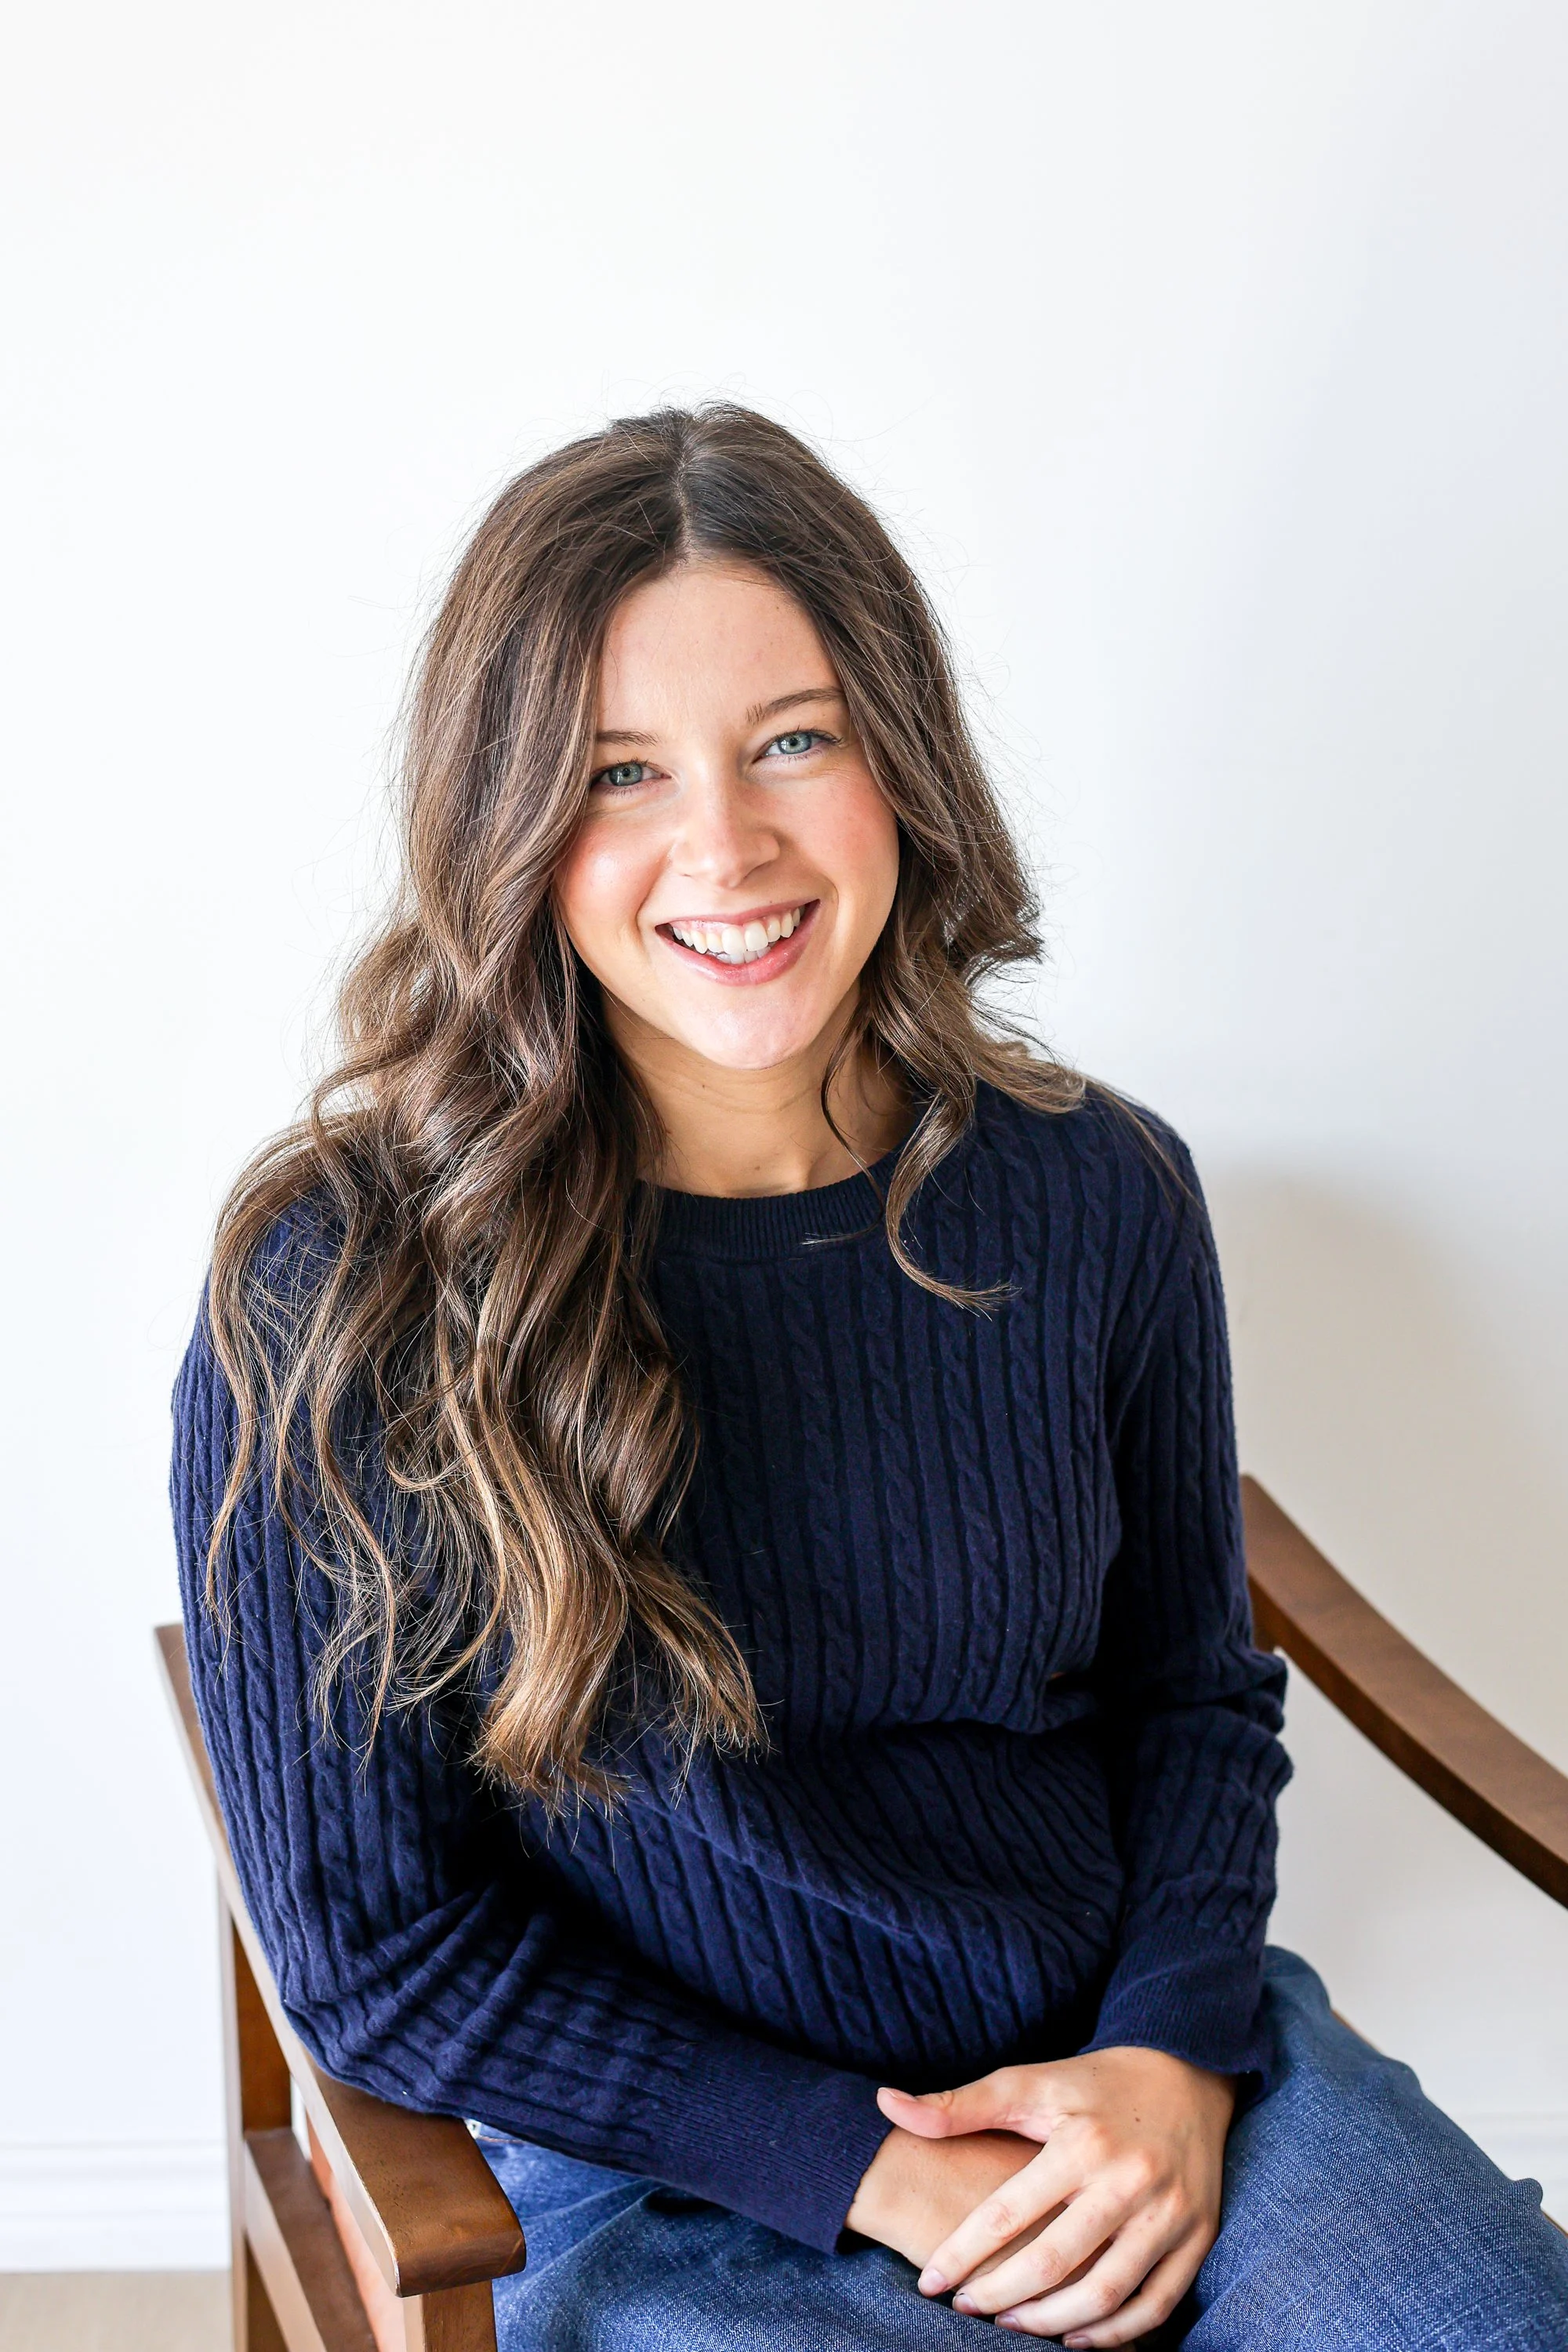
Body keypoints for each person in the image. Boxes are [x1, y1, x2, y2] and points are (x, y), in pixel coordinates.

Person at [171, 405, 1568, 2348]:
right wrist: (871, 2168)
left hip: (1132, 2075)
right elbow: (372, 1950)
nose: (724, 846)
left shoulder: (1097, 1192)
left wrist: (1168, 2058)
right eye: (616, 773)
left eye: (794, 740)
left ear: (899, 758)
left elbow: (1186, 1696)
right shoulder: (340, 1282)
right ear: (504, 825)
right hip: (681, 2156)